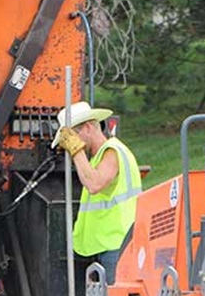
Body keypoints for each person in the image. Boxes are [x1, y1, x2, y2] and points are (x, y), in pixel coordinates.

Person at [53, 101, 141, 284]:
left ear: (87, 127)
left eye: (73, 137)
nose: (71, 145)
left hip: (118, 244)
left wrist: (77, 152)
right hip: (108, 245)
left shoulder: (113, 151)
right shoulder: (97, 159)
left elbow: (94, 184)